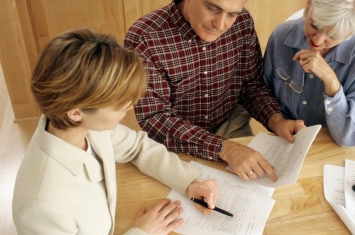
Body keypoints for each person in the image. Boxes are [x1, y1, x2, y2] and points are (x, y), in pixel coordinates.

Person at [12, 28, 219, 235]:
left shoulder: (83, 127)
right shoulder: (41, 206)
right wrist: (141, 232)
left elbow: (136, 147)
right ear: (76, 113)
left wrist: (189, 182)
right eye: (119, 104)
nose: (129, 107)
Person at [124, 0, 305, 182]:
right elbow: (155, 119)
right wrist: (224, 148)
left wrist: (276, 120)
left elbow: (251, 86)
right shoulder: (145, 38)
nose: (221, 25)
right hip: (174, 143)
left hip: (232, 125)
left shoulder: (242, 23)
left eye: (231, 14)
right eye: (213, 8)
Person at [263, 0, 355, 147]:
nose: (317, 41)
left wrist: (332, 84)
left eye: (333, 35)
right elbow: (262, 92)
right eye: (315, 25)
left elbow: (351, 139)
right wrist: (277, 122)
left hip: (334, 142)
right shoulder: (281, 36)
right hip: (287, 139)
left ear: (350, 32)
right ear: (308, 4)